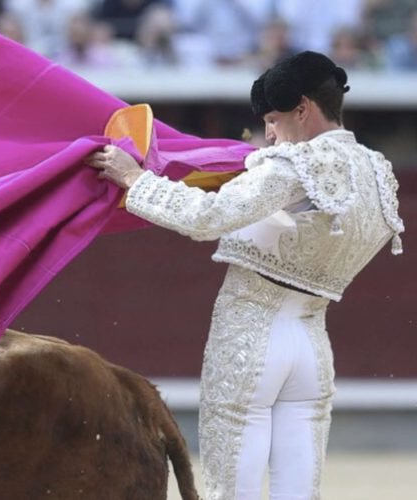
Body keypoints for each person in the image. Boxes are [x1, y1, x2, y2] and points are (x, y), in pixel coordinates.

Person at [86, 51, 404, 500]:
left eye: (274, 119)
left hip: (250, 338)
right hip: (312, 346)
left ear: (303, 109)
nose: (270, 135)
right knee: (299, 491)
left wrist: (136, 180)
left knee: (231, 490)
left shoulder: (293, 165)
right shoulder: (376, 171)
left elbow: (206, 217)